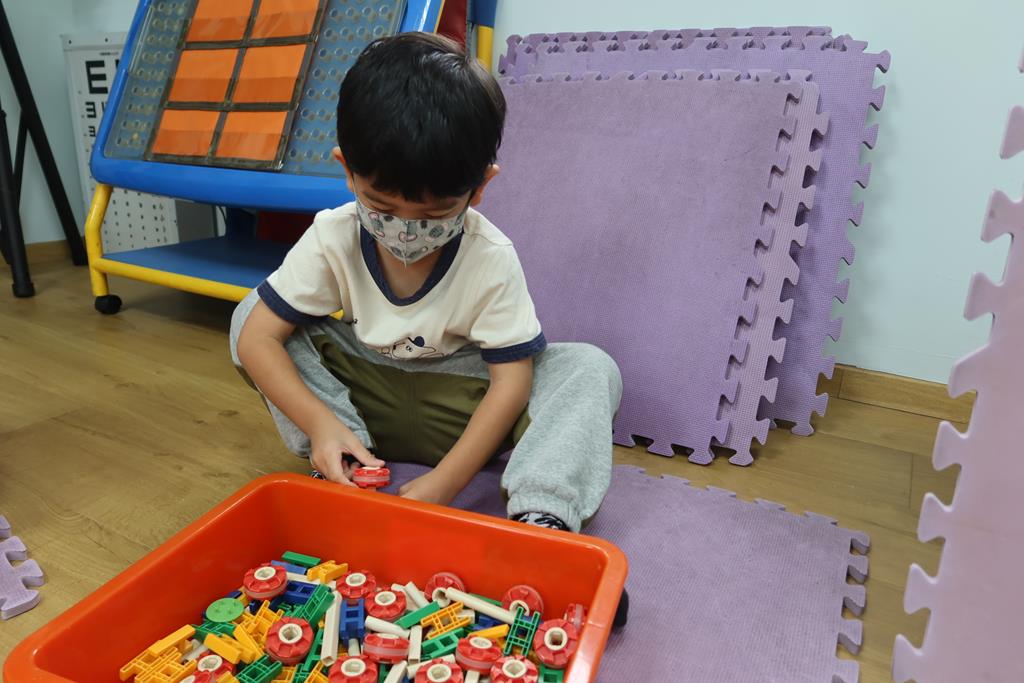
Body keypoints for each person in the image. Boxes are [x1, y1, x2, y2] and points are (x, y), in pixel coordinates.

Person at [231, 31, 622, 567]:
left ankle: (541, 518)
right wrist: (322, 425)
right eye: (382, 206)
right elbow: (258, 340)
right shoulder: (332, 235)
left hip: (465, 406)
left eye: (435, 213)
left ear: (480, 187)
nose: (407, 229)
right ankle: (347, 461)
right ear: (347, 170)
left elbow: (510, 384)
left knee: (589, 368)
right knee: (249, 318)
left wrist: (445, 483)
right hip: (366, 396)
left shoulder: (490, 255)